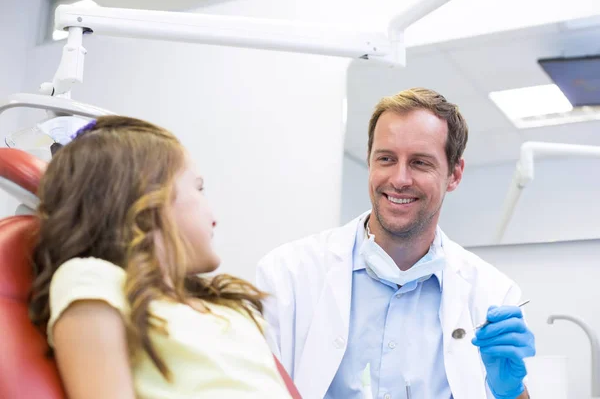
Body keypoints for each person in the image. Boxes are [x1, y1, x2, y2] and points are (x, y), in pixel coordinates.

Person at [256, 88, 536, 399]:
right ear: (370, 162)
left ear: (454, 174)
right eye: (386, 159)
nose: (400, 179)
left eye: (419, 163)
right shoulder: (286, 275)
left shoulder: (492, 294)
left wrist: (510, 392)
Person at [28, 116, 294, 399]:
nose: (210, 209)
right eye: (199, 188)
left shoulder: (229, 309)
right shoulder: (91, 278)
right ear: (146, 199)